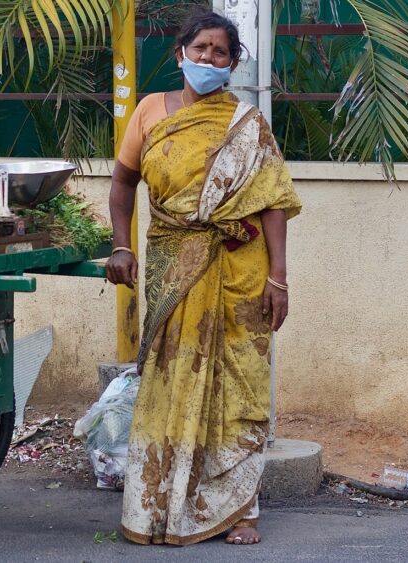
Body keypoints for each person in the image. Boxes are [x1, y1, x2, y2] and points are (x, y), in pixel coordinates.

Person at [105, 10, 302, 546]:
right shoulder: (149, 111)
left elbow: (275, 205)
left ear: (233, 64)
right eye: (202, 50)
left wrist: (278, 279)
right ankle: (157, 503)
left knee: (236, 381)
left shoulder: (247, 124)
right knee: (170, 378)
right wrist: (121, 244)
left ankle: (241, 509)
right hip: (173, 263)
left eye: (221, 53)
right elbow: (122, 184)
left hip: (239, 268)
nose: (210, 60)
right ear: (180, 54)